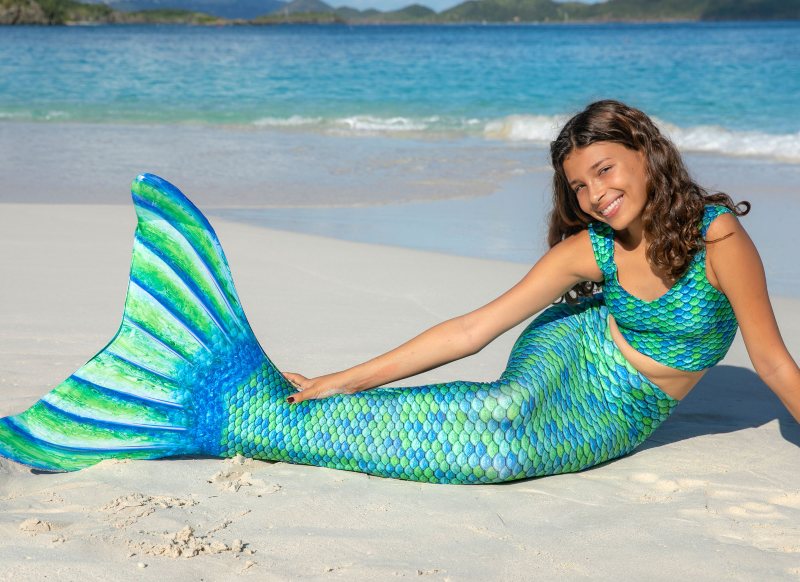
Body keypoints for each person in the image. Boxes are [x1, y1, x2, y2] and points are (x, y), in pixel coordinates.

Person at [1, 100, 798, 483]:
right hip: (571, 351)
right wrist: (343, 376)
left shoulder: (715, 237)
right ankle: (246, 408)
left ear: (645, 154)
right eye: (579, 185)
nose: (594, 193)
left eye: (605, 169)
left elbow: (771, 362)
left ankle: (252, 408)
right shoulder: (589, 253)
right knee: (491, 413)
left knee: (501, 451)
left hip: (623, 404)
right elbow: (469, 331)